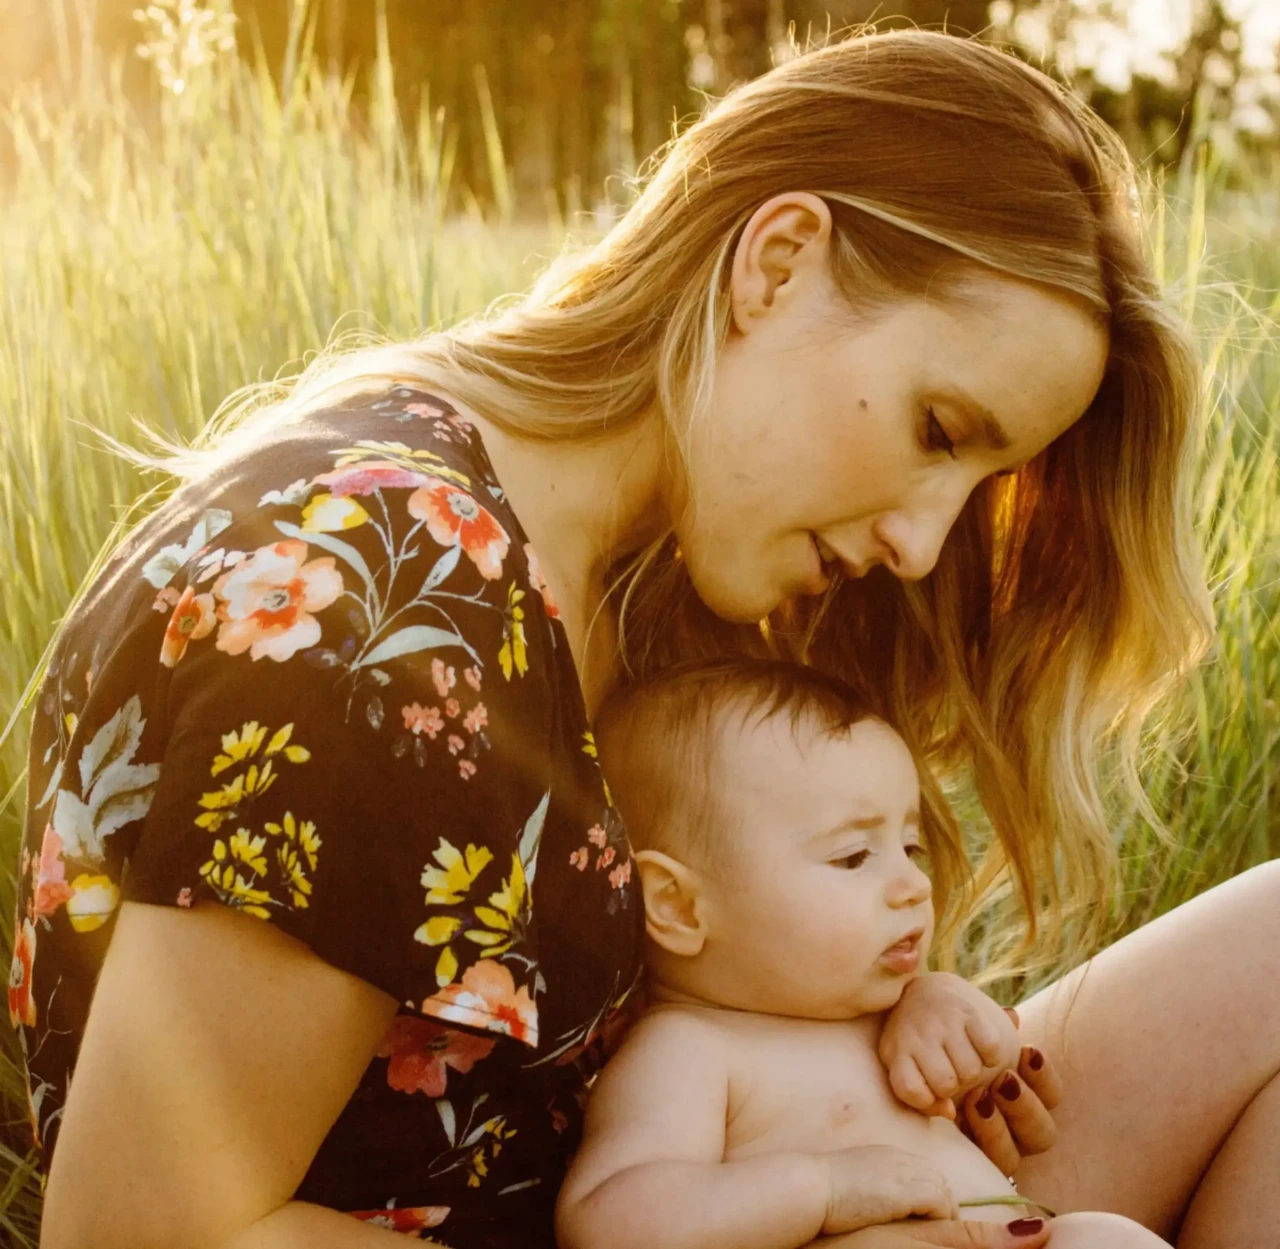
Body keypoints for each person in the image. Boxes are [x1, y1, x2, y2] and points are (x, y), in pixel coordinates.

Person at [11, 25, 1277, 1249]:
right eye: (938, 430)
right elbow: (144, 1231)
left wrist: (891, 1025)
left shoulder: (624, 561)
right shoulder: (392, 612)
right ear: (774, 263)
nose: (924, 545)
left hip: (744, 1171)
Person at [557, 658, 1170, 1249]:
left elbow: (990, 1081)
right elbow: (610, 1223)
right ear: (680, 907)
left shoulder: (892, 1009)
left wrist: (961, 1026)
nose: (914, 886)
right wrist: (822, 1191)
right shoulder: (688, 1052)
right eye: (853, 856)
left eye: (911, 846)